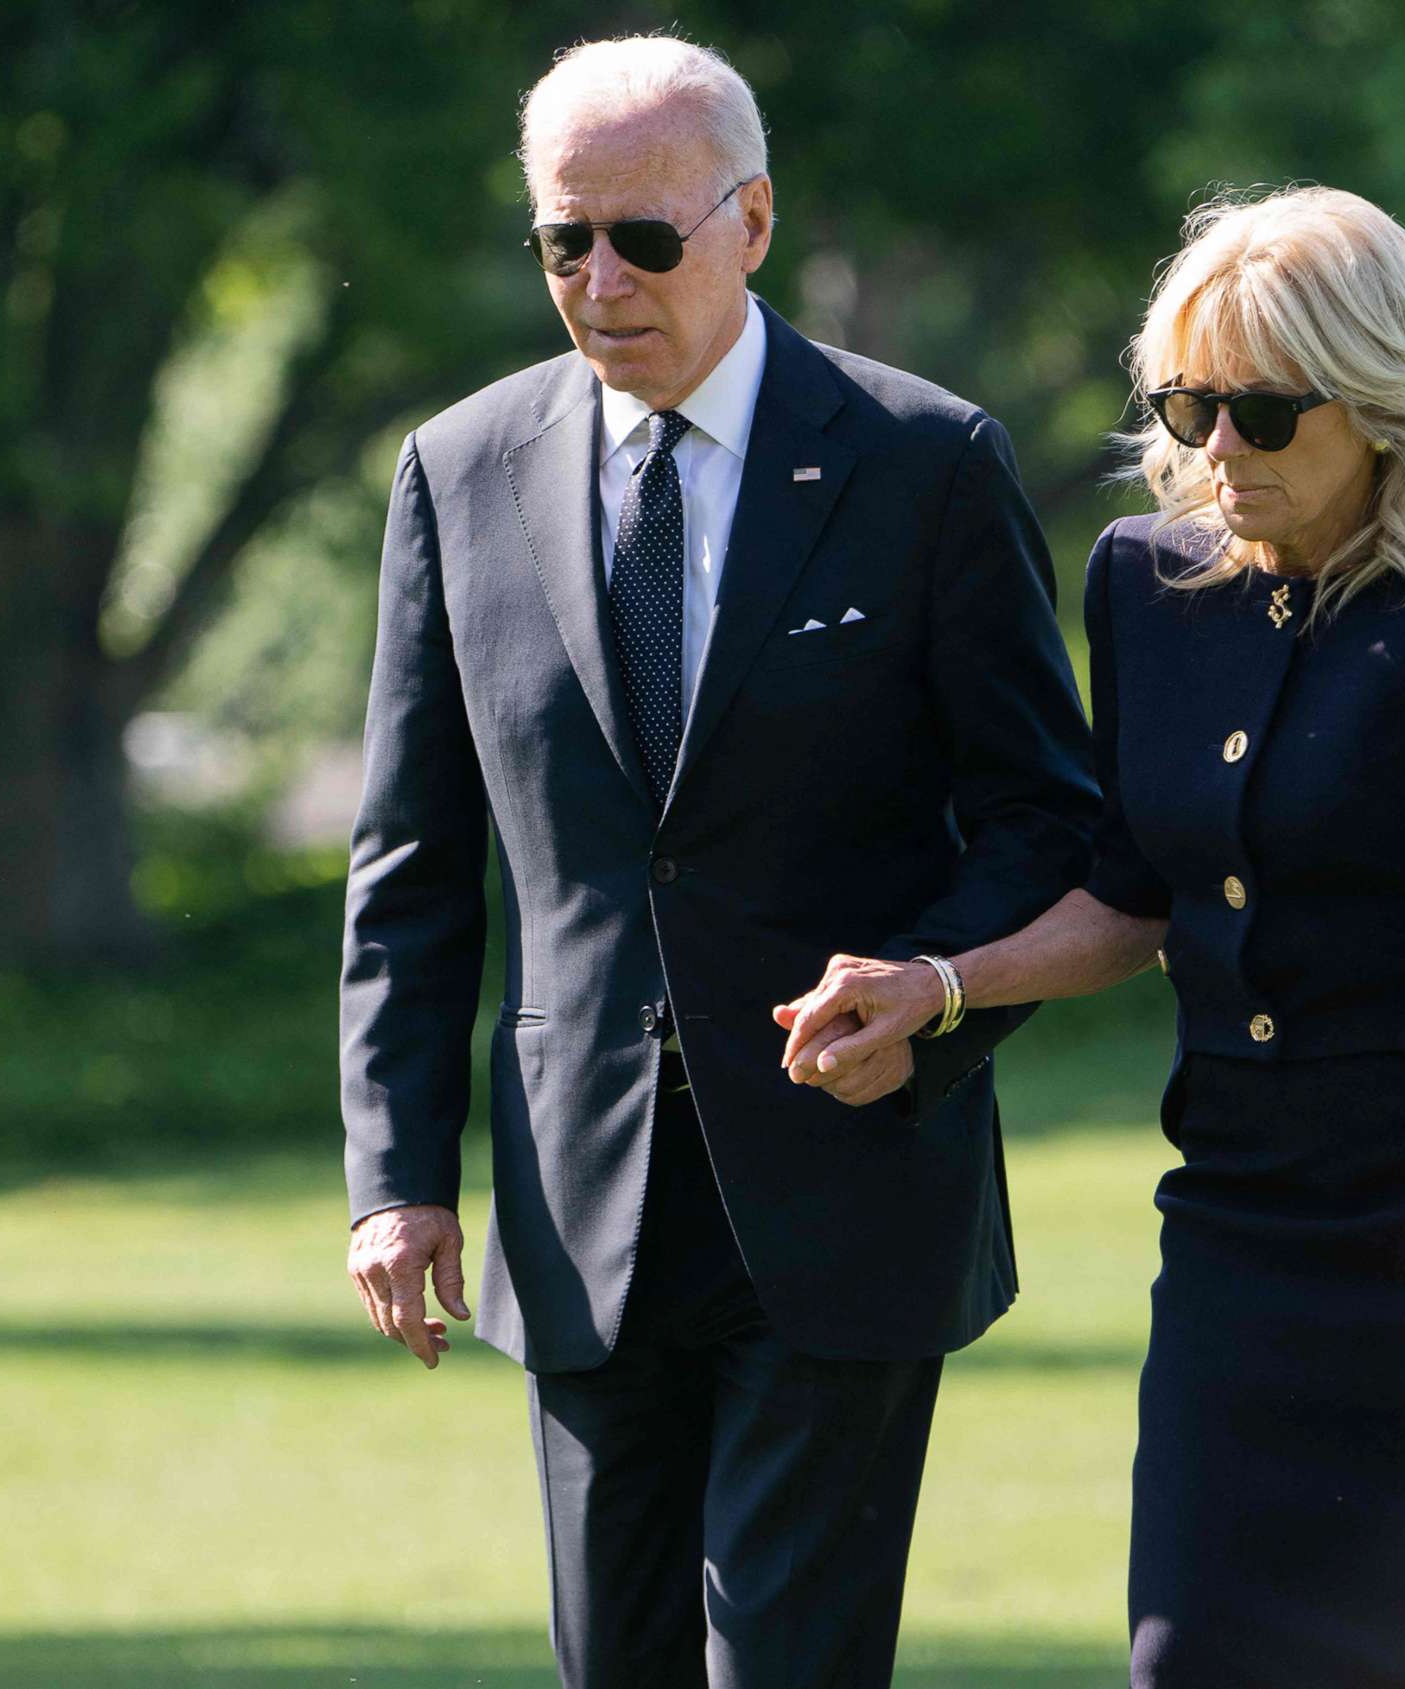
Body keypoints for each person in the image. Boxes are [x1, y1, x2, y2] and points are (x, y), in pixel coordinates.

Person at [776, 185, 1405, 1688]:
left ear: (1372, 406)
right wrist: (941, 984)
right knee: (1188, 1654)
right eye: (1188, 402)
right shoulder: (1143, 584)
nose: (1215, 449)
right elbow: (1131, 892)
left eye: (1261, 413)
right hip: (1242, 1217)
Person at [336, 34, 1097, 1689]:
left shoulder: (926, 466)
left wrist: (936, 993)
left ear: (750, 221)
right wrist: (395, 1173)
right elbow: (411, 861)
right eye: (563, 241)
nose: (600, 280)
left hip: (847, 1188)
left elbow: (1049, 823)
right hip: (578, 1211)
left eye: (646, 239)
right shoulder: (455, 474)